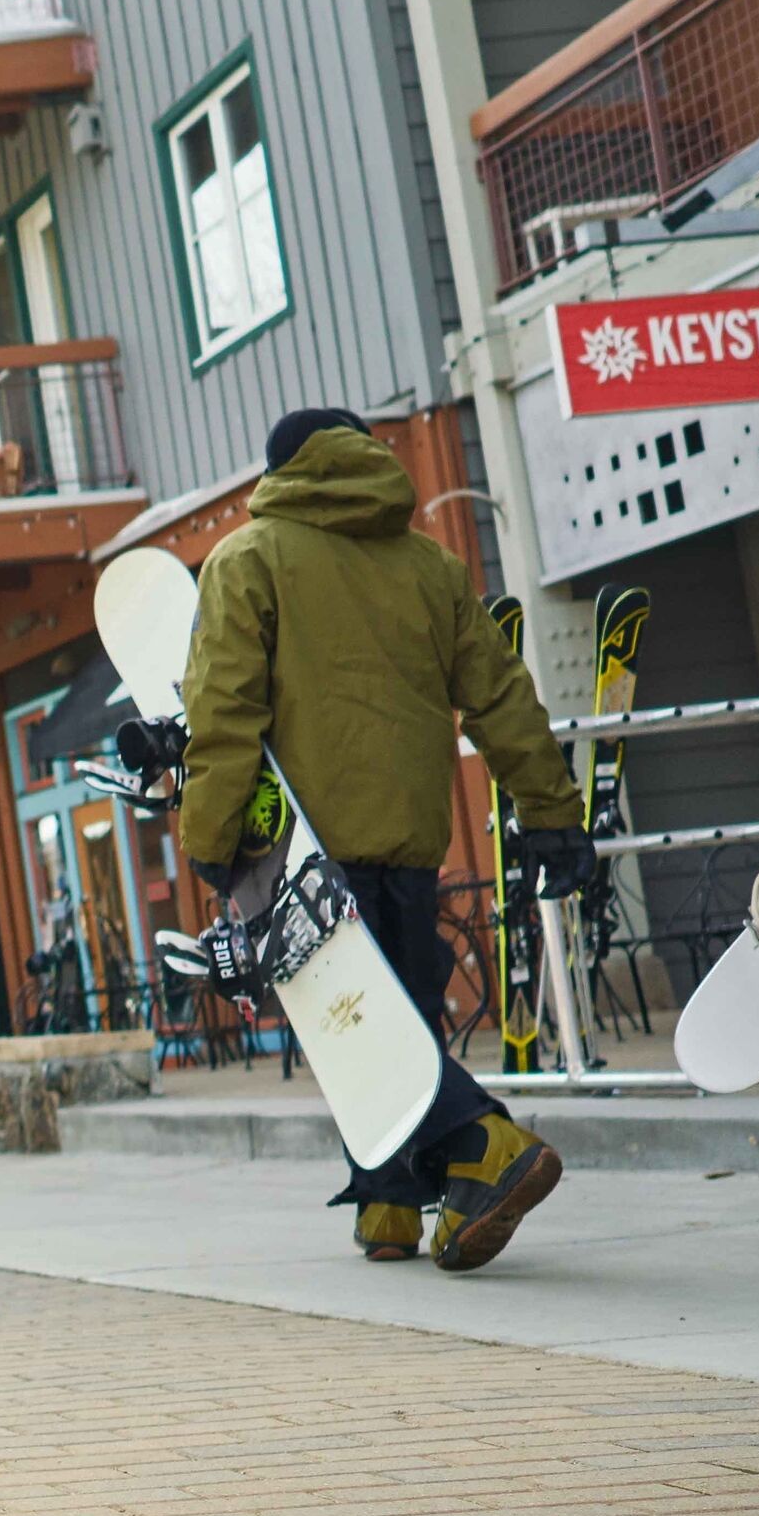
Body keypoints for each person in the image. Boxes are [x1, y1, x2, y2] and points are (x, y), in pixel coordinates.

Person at [174, 408, 590, 1267]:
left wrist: (210, 832)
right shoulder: (432, 568)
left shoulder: (249, 559)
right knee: (394, 1017)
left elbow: (223, 713)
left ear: (279, 470)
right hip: (409, 841)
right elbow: (502, 696)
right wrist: (552, 811)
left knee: (352, 1031)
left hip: (305, 855)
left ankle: (488, 1147)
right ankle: (391, 1203)